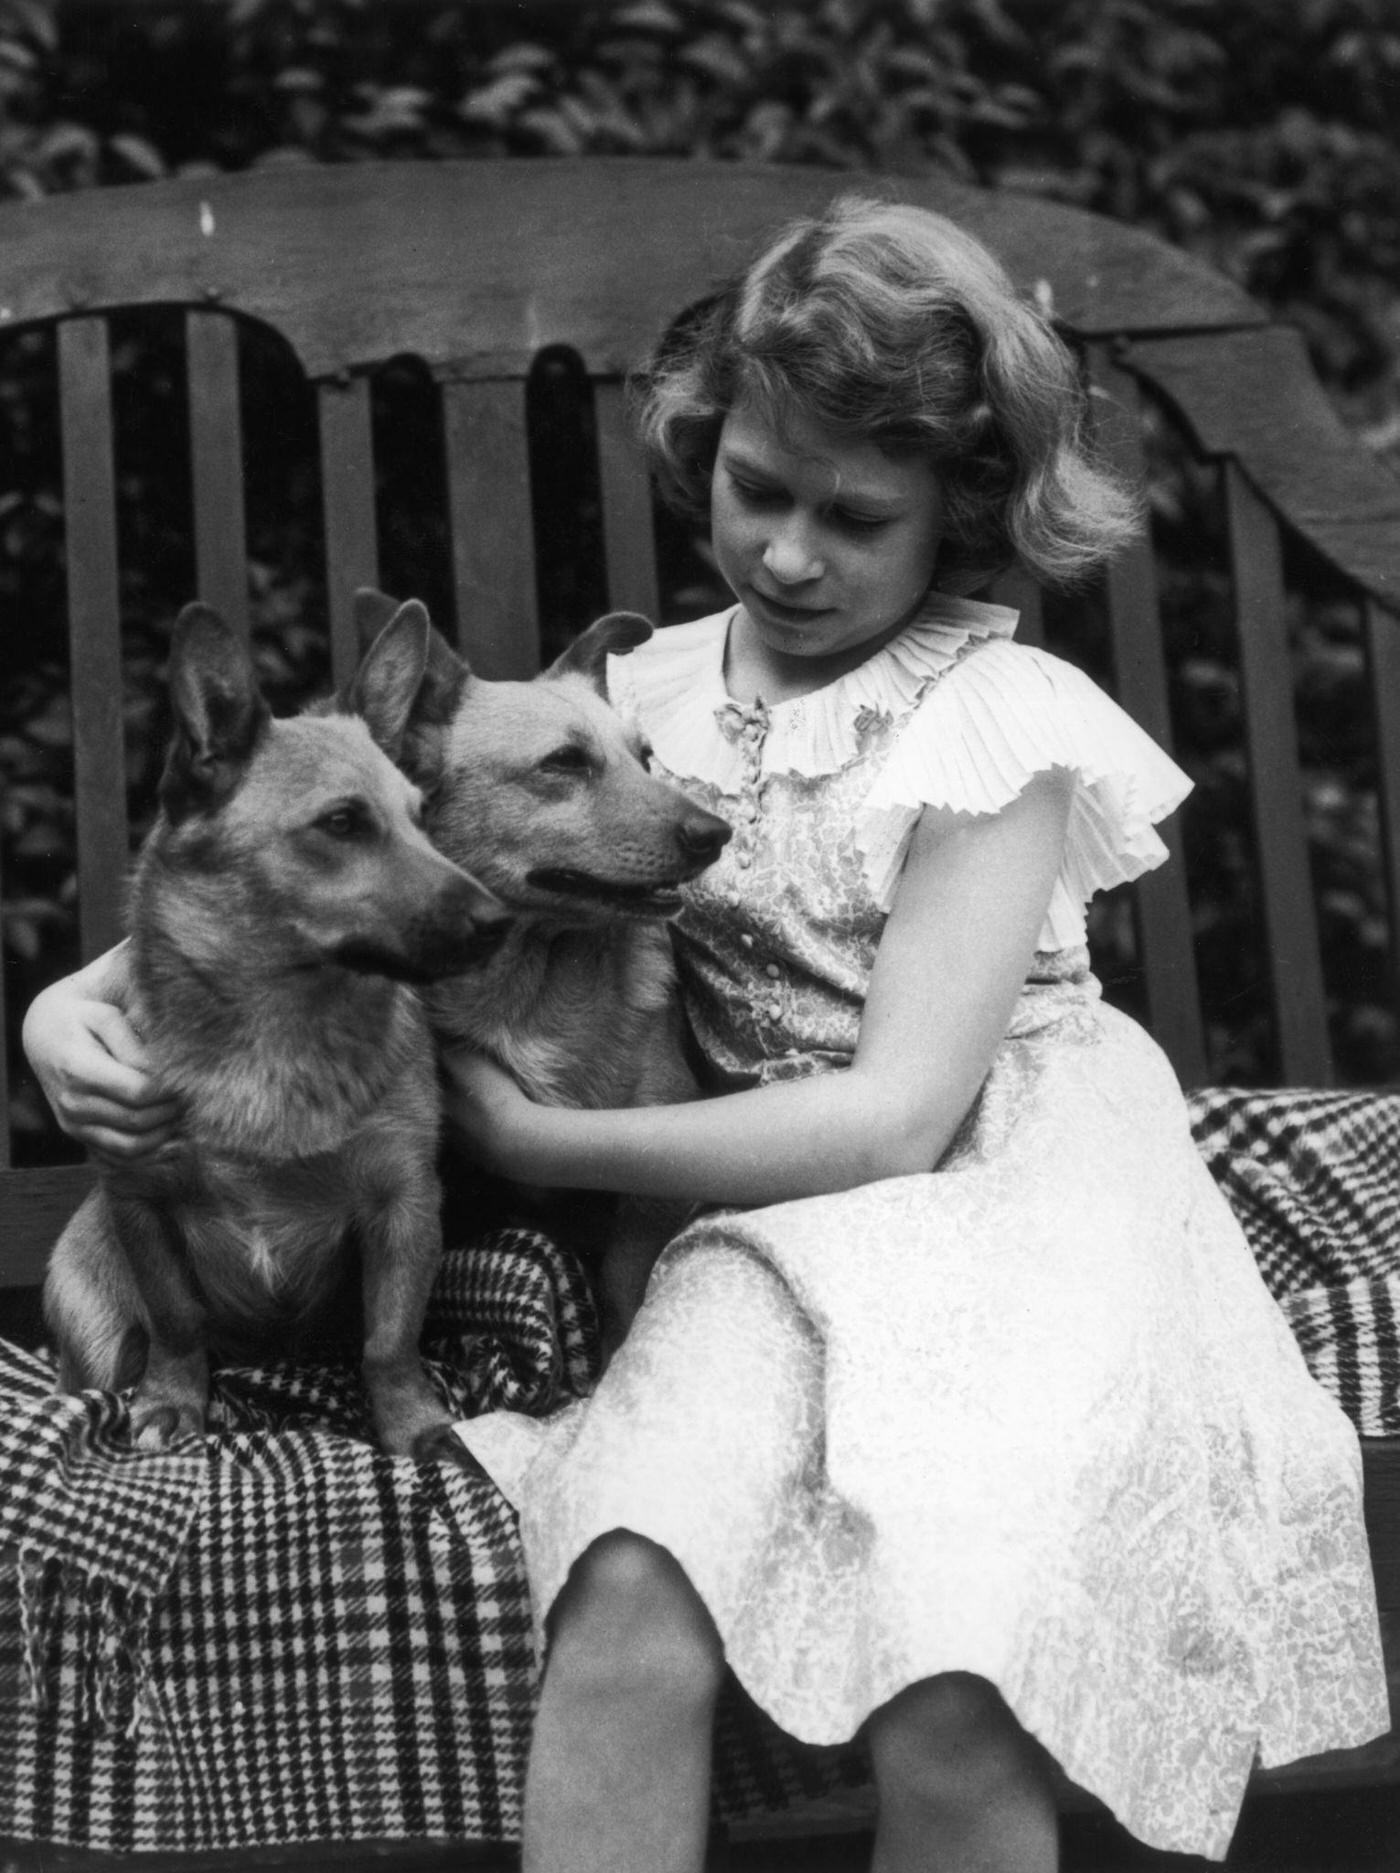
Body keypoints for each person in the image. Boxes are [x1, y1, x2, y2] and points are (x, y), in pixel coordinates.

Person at [24, 197, 1388, 1873]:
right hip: (762, 1237)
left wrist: (539, 1149)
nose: (793, 553)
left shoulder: (996, 723)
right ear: (706, 447)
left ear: (962, 516)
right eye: (758, 490)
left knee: (956, 1669)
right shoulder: (640, 700)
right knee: (621, 1579)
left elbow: (898, 1120)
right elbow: (287, 861)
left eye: (856, 516)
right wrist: (60, 1008)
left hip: (999, 1204)